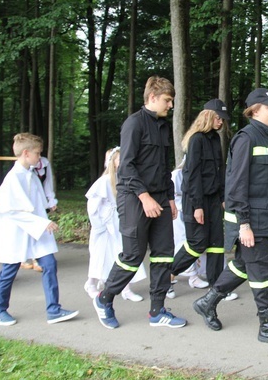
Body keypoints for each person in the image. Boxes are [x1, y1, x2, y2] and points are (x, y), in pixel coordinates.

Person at [193, 88, 268, 346]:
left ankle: (207, 302)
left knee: (242, 265)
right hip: (251, 221)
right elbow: (236, 185)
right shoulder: (246, 138)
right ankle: (267, 327)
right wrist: (244, 225)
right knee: (263, 271)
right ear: (254, 110)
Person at [93, 76, 185, 329]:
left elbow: (164, 165)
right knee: (132, 255)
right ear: (152, 97)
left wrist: (169, 198)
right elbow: (127, 167)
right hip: (134, 197)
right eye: (167, 100)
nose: (171, 105)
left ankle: (157, 311)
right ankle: (104, 298)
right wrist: (144, 198)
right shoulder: (133, 124)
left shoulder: (163, 126)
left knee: (164, 255)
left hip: (160, 198)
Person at [0, 133, 78, 326]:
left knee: (49, 265)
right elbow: (12, 211)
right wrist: (42, 223)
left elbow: (36, 203)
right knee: (9, 270)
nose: (40, 157)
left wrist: (47, 211)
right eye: (38, 153)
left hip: (36, 233)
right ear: (26, 153)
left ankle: (53, 310)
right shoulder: (13, 178)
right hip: (16, 233)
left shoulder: (30, 174)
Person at [170, 99, 237, 301]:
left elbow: (220, 171)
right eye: (218, 118)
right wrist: (198, 206)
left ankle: (218, 289)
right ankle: (167, 276)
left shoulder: (215, 139)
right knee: (197, 244)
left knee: (216, 243)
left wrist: (223, 197)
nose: (220, 122)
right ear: (207, 116)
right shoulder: (196, 139)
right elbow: (191, 176)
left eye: (222, 119)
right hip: (196, 201)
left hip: (214, 200)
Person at [84, 147, 146, 302]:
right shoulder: (104, 181)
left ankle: (125, 287)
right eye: (120, 158)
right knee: (101, 256)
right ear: (113, 162)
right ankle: (91, 283)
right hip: (105, 226)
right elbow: (93, 206)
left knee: (123, 253)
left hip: (120, 223)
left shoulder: (125, 179)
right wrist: (100, 224)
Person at [166, 157, 210, 300]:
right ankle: (171, 279)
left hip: (190, 212)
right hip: (179, 213)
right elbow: (173, 195)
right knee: (183, 244)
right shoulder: (176, 174)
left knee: (193, 243)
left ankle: (193, 275)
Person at [22, 156, 58, 272]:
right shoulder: (23, 167)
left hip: (39, 200)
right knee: (28, 229)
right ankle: (24, 257)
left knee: (40, 228)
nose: (38, 155)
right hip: (27, 201)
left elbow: (48, 182)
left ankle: (36, 258)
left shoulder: (44, 164)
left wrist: (50, 199)